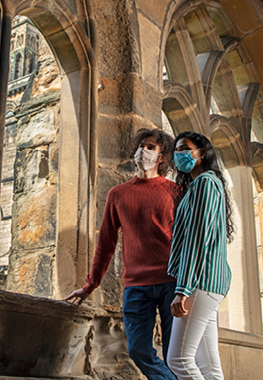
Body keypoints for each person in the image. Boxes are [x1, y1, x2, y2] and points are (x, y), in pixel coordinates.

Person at [64, 128, 179, 380]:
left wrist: (190, 284)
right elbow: (106, 243)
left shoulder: (175, 191)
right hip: (136, 286)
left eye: (150, 147)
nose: (143, 151)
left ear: (161, 157)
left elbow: (189, 238)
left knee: (175, 356)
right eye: (141, 146)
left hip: (173, 281)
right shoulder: (118, 194)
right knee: (138, 350)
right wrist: (90, 285)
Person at [166, 131, 234, 380]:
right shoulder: (202, 184)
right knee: (208, 363)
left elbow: (198, 238)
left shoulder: (205, 183)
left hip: (200, 282)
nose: (180, 154)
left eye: (185, 148)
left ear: (202, 153)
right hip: (210, 283)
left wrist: (182, 289)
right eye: (177, 150)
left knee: (179, 359)